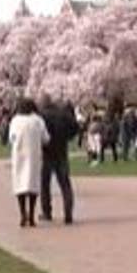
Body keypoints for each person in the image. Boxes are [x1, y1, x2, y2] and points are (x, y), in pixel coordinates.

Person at [9, 98, 50, 228]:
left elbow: (11, 138)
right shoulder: (38, 120)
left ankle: (22, 214)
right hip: (34, 156)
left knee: (20, 185)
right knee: (33, 186)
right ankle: (31, 216)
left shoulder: (15, 120)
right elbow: (46, 138)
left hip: (19, 155)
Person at [39, 96, 79, 224]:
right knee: (65, 183)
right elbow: (75, 127)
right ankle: (68, 213)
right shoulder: (64, 114)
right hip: (61, 150)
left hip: (47, 152)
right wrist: (67, 137)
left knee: (45, 184)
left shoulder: (42, 116)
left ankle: (47, 212)